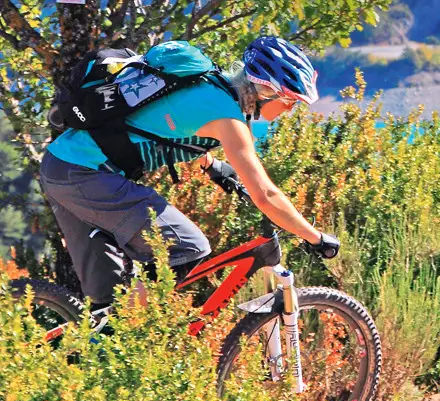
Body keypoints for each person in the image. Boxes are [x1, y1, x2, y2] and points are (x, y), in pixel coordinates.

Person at [38, 36, 339, 311]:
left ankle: (90, 352)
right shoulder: (228, 119)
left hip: (61, 166)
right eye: (290, 100)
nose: (290, 109)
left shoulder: (210, 86)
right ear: (267, 90)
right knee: (188, 246)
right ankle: (126, 332)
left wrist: (212, 165)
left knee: (105, 303)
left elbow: (162, 123)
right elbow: (266, 195)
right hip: (83, 175)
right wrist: (315, 237)